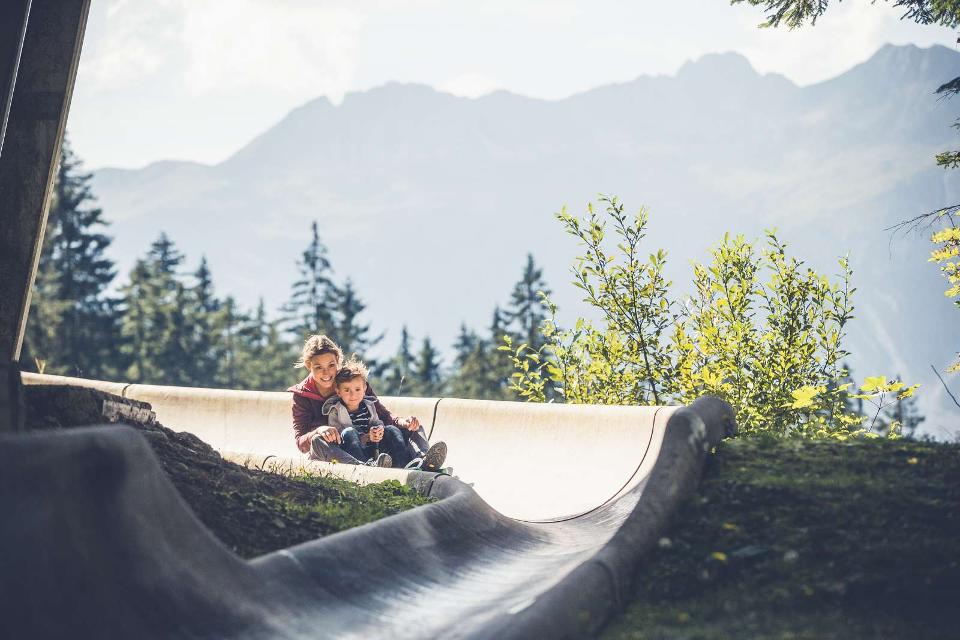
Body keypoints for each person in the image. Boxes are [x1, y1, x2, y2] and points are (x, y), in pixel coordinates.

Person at [288, 334, 447, 470]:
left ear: (338, 361)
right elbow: (301, 443)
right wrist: (319, 430)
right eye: (318, 367)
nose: (326, 373)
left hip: (368, 447)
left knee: (413, 426)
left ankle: (425, 462)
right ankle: (362, 469)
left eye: (331, 365)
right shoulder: (302, 395)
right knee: (318, 441)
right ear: (309, 366)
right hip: (335, 453)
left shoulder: (353, 383)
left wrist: (403, 422)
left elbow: (383, 414)